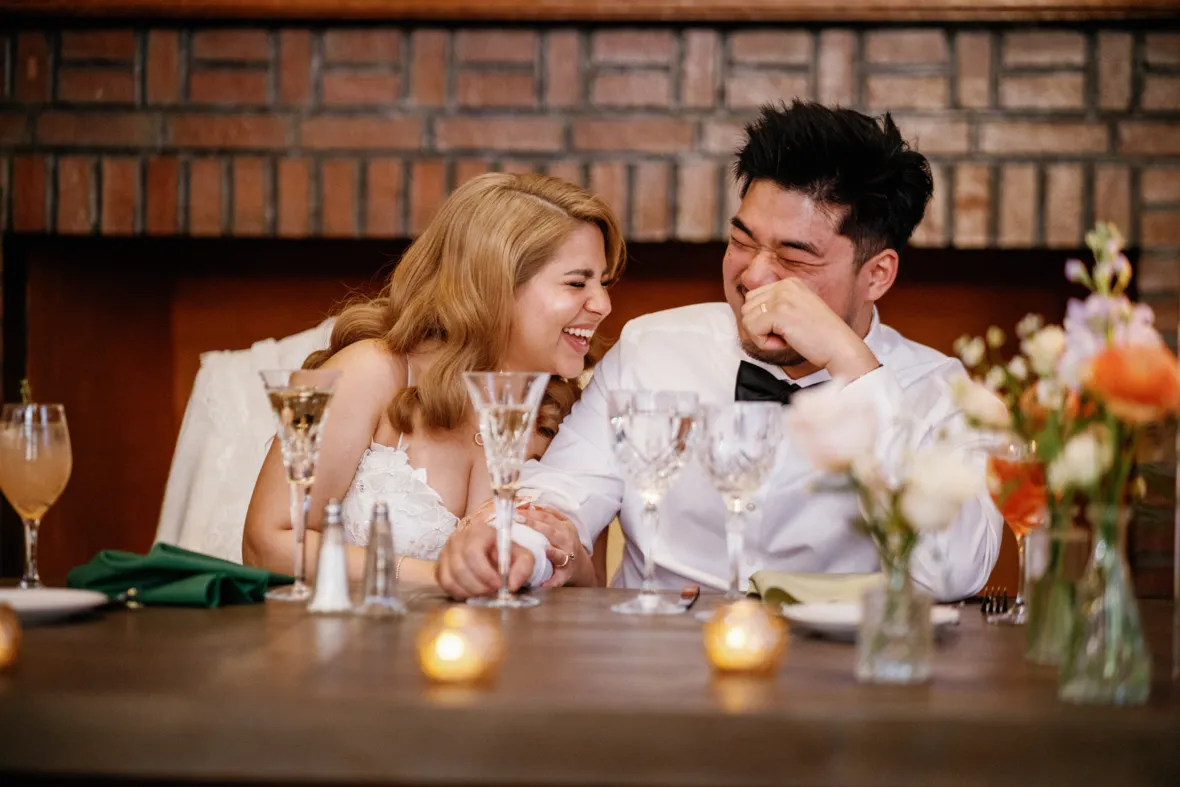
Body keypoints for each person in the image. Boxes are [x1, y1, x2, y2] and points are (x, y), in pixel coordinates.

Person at [437, 101, 1003, 602]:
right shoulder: (652, 347)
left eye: (795, 258)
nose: (754, 275)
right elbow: (565, 491)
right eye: (740, 241)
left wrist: (852, 365)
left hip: (838, 685)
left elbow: (955, 572)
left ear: (876, 275)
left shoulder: (939, 393)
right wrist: (519, 549)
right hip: (656, 675)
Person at [243, 173, 623, 591]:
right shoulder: (367, 372)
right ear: (494, 284)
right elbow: (268, 544)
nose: (603, 305)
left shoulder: (573, 413)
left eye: (603, 283)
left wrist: (572, 561)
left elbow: (593, 594)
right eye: (576, 283)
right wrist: (440, 577)